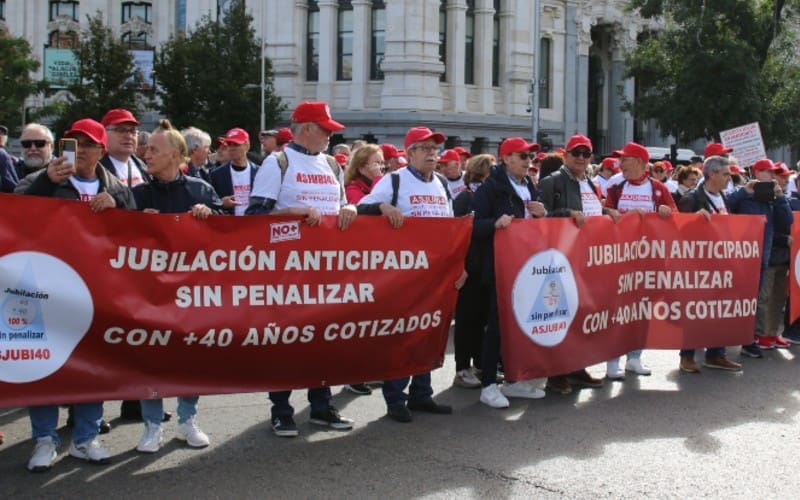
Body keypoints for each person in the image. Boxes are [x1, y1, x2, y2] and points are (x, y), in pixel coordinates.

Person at [21, 118, 135, 471]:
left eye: (88, 145)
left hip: (97, 293)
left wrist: (119, 209)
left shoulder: (116, 188)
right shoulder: (43, 180)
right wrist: (45, 183)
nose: (81, 151)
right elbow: (13, 216)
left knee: (95, 367)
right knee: (44, 366)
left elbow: (137, 237)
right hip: (47, 290)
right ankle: (44, 439)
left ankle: (85, 439)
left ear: (102, 150)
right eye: (74, 143)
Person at [248, 101, 356, 437]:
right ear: (306, 128)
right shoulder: (277, 163)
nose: (329, 136)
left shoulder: (332, 166)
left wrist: (350, 207)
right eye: (325, 129)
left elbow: (341, 206)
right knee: (286, 342)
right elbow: (252, 219)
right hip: (286, 271)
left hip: (326, 271)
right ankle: (281, 409)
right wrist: (291, 212)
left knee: (323, 339)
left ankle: (321, 405)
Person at [357, 126, 465, 422]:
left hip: (438, 273)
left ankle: (421, 393)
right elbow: (360, 209)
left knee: (430, 334)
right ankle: (395, 398)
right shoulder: (393, 180)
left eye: (435, 149)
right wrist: (383, 206)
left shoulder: (442, 183)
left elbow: (453, 229)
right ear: (411, 153)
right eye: (426, 148)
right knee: (404, 336)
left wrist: (459, 265)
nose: (433, 154)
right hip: (405, 274)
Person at [132, 119, 222, 453]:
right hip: (150, 295)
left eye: (154, 149)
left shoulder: (200, 190)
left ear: (175, 155)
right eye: (146, 149)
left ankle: (187, 420)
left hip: (192, 294)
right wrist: (136, 224)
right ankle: (152, 425)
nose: (147, 154)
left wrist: (210, 216)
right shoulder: (138, 193)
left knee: (189, 360)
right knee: (151, 360)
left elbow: (229, 243)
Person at [470, 137, 549, 408]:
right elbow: (471, 226)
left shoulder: (528, 185)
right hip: (499, 266)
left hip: (526, 266)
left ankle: (514, 380)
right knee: (496, 326)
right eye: (523, 156)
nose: (529, 162)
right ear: (506, 159)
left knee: (519, 325)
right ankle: (489, 385)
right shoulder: (490, 188)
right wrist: (495, 223)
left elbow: (538, 225)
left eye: (530, 157)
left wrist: (543, 213)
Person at [537, 134, 619, 393]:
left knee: (581, 313)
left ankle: (576, 366)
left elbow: (591, 211)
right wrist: (567, 214)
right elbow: (540, 216)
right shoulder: (553, 181)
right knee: (560, 315)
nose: (581, 158)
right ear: (566, 155)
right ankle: (556, 372)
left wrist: (607, 212)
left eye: (586, 154)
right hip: (562, 257)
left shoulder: (591, 183)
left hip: (587, 259)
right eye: (576, 153)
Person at [604, 142, 676, 379]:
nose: (620, 163)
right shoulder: (616, 186)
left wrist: (666, 211)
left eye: (624, 159)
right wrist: (616, 215)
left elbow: (674, 215)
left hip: (648, 259)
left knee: (642, 309)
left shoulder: (657, 187)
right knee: (618, 310)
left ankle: (634, 358)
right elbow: (603, 213)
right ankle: (612, 360)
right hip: (620, 259)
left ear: (638, 162)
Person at [676, 156, 742, 372]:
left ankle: (716, 354)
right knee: (695, 310)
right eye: (725, 174)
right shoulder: (692, 198)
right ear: (712, 174)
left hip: (721, 264)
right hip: (698, 267)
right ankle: (687, 356)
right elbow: (677, 231)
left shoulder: (722, 196)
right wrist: (694, 218)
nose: (729, 177)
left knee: (720, 309)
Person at [728, 158, 793, 357]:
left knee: (759, 297)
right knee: (742, 296)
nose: (772, 176)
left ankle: (752, 338)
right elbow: (726, 207)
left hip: (764, 253)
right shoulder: (743, 193)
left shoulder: (775, 197)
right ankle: (735, 336)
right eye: (768, 172)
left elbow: (787, 221)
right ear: (756, 173)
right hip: (742, 253)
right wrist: (744, 191)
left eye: (774, 172)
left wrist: (780, 198)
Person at [452, 154, 494, 389]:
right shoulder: (464, 198)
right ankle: (461, 368)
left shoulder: (486, 196)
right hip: (469, 267)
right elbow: (459, 236)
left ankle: (478, 363)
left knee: (481, 319)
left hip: (485, 265)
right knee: (467, 320)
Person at [209, 128, 259, 216]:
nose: (231, 148)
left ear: (247, 146)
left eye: (236, 144)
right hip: (229, 227)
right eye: (229, 144)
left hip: (254, 226)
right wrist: (222, 203)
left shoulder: (260, 172)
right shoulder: (216, 175)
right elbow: (210, 203)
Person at [100, 108, 148, 187]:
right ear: (104, 133)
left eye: (133, 131)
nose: (129, 136)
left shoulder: (145, 167)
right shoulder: (95, 170)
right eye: (121, 130)